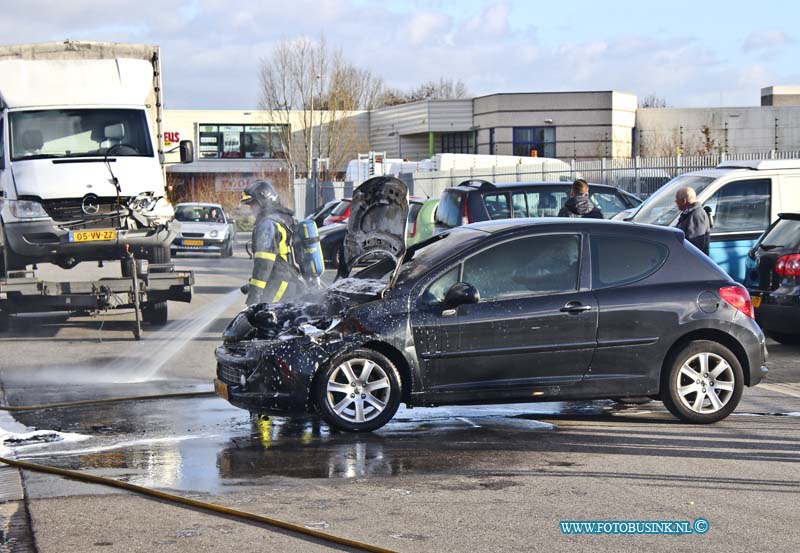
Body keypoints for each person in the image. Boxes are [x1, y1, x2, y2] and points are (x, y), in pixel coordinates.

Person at [240, 180, 305, 305]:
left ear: (263, 201)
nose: (251, 209)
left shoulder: (267, 225)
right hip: (290, 282)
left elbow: (264, 264)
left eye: (253, 204)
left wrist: (255, 294)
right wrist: (252, 285)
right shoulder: (284, 218)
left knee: (262, 319)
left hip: (278, 284)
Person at [674, 186, 711, 255]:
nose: (676, 203)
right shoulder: (689, 214)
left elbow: (694, 246)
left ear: (683, 201)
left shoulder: (697, 215)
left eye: (677, 200)